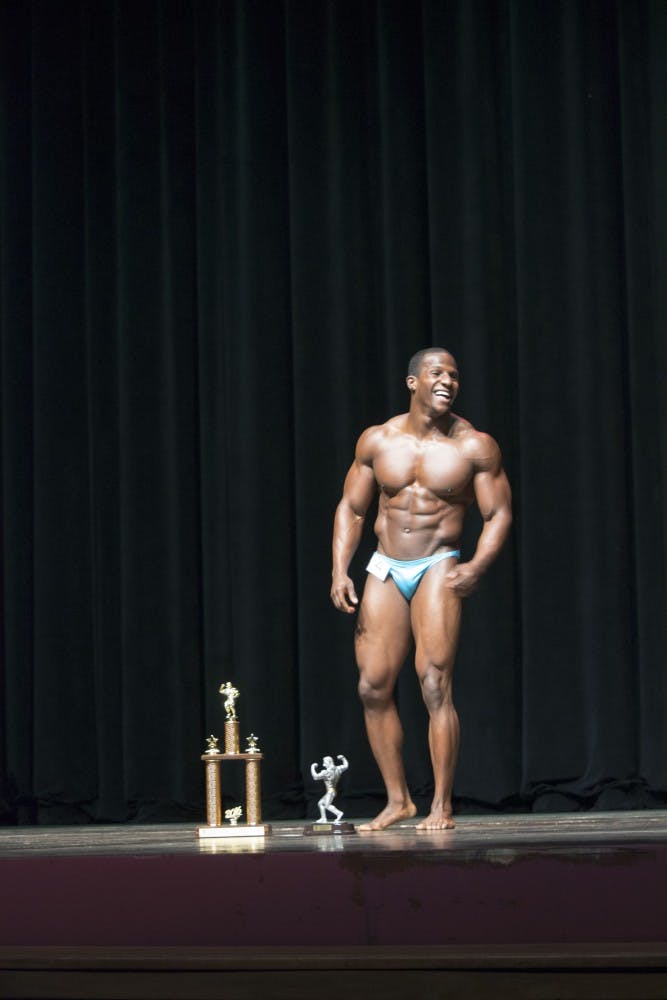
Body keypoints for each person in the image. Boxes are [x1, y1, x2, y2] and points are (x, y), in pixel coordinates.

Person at [330, 348, 512, 831]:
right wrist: (340, 570)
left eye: (455, 374)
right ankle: (398, 801)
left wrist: (477, 564)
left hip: (438, 562)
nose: (448, 380)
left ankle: (441, 806)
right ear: (413, 382)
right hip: (386, 564)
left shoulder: (475, 447)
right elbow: (352, 509)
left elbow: (498, 515)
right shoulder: (378, 440)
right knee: (372, 686)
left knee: (433, 682)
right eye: (437, 372)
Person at [311, 755, 349, 824]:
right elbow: (346, 765)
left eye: (324, 762)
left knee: (327, 805)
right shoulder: (338, 768)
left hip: (330, 792)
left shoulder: (326, 772)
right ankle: (323, 818)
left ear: (328, 762)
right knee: (320, 803)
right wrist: (343, 758)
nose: (323, 764)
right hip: (332, 791)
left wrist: (312, 767)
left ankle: (339, 813)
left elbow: (315, 777)